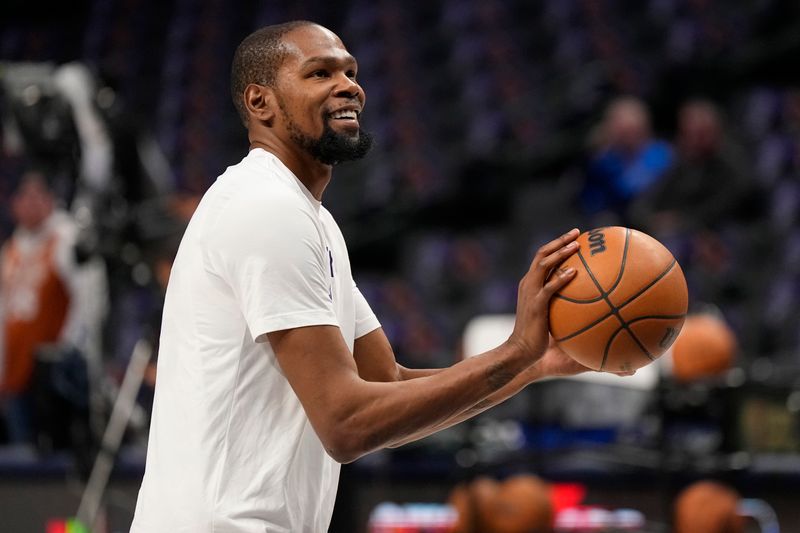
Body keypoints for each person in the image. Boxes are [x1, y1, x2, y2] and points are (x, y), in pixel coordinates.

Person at [131, 21, 616, 532]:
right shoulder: (265, 208)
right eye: (319, 72)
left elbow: (386, 384)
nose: (348, 86)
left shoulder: (310, 218)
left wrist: (534, 363)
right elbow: (346, 423)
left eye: (350, 72)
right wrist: (516, 349)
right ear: (260, 103)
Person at [0, 172, 85, 446]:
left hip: (51, 371)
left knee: (50, 452)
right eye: (24, 196)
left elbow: (86, 298)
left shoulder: (64, 240)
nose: (31, 202)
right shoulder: (11, 251)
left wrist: (70, 346)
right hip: (14, 372)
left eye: (38, 195)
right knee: (18, 452)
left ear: (50, 201)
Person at [580, 96, 673, 222]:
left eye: (630, 130)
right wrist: (598, 153)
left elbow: (629, 189)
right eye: (620, 131)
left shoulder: (659, 152)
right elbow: (590, 200)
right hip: (609, 220)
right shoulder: (607, 157)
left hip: (651, 217)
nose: (625, 137)